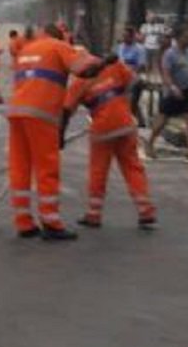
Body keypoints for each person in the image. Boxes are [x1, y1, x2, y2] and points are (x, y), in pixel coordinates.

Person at [6, 23, 102, 241]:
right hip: (41, 114)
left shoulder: (26, 50)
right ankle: (51, 222)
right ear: (60, 36)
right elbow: (83, 69)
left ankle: (23, 223)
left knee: (20, 167)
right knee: (46, 167)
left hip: (16, 112)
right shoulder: (57, 46)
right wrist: (100, 62)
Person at [65, 57, 158, 230]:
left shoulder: (79, 82)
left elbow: (66, 110)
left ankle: (94, 214)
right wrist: (126, 105)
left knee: (98, 170)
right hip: (125, 124)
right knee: (133, 167)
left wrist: (58, 135)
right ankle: (146, 210)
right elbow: (135, 82)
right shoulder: (114, 66)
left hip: (102, 130)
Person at [147, 27, 188, 162]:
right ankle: (150, 143)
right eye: (186, 36)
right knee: (162, 121)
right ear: (178, 38)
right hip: (173, 92)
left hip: (187, 91)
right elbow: (166, 74)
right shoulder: (170, 54)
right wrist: (173, 87)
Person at [116, 26, 148, 127]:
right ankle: (140, 121)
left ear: (132, 37)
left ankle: (129, 120)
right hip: (121, 77)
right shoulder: (120, 47)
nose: (124, 39)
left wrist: (131, 74)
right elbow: (118, 62)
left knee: (132, 96)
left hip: (135, 77)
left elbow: (141, 66)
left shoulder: (139, 49)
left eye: (126, 37)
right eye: (123, 36)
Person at [139, 12, 166, 80]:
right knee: (147, 64)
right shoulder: (144, 26)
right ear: (147, 18)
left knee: (155, 64)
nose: (151, 19)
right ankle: (147, 79)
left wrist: (160, 40)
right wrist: (142, 40)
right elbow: (142, 37)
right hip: (147, 47)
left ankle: (155, 80)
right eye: (150, 17)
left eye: (153, 17)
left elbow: (162, 37)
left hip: (156, 47)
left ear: (155, 18)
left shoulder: (160, 27)